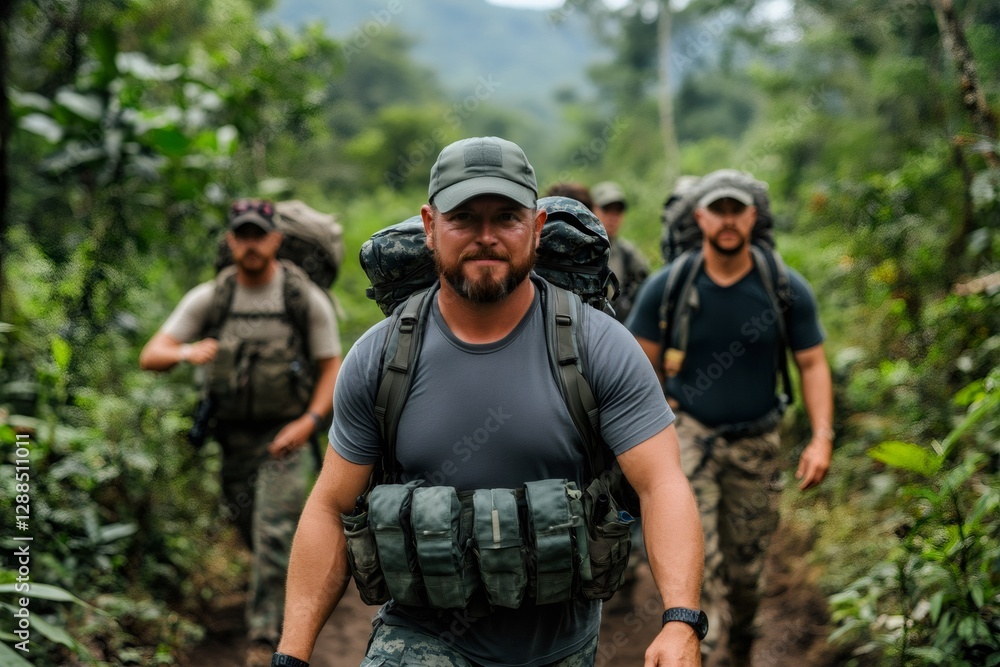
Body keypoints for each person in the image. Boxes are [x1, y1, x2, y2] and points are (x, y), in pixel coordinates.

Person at [275, 136, 705, 667]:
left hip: (559, 646)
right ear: (430, 227)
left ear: (536, 227)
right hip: (420, 637)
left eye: (506, 217)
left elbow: (661, 482)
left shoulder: (597, 345)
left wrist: (681, 620)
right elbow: (330, 505)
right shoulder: (381, 356)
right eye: (463, 218)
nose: (486, 237)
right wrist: (291, 654)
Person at [625, 177, 834, 666]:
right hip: (690, 437)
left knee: (745, 571)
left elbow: (812, 364)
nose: (726, 220)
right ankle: (704, 643)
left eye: (736, 211)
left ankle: (739, 643)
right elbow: (636, 362)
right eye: (715, 210)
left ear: (752, 218)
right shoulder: (670, 284)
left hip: (757, 443)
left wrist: (821, 437)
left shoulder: (781, 285)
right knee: (703, 560)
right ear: (699, 219)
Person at [139, 199, 342, 667]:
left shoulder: (301, 297)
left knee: (273, 533)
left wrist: (308, 422)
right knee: (256, 533)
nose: (251, 244)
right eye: (242, 235)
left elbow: (332, 366)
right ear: (231, 240)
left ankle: (264, 643)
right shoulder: (213, 296)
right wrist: (188, 353)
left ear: (276, 240)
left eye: (259, 234)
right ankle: (292, 592)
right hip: (233, 440)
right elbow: (153, 354)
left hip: (286, 437)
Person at [591, 180, 650, 323]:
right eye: (607, 210)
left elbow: (648, 287)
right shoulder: (576, 249)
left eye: (618, 212)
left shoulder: (628, 254)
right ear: (593, 210)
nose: (613, 218)